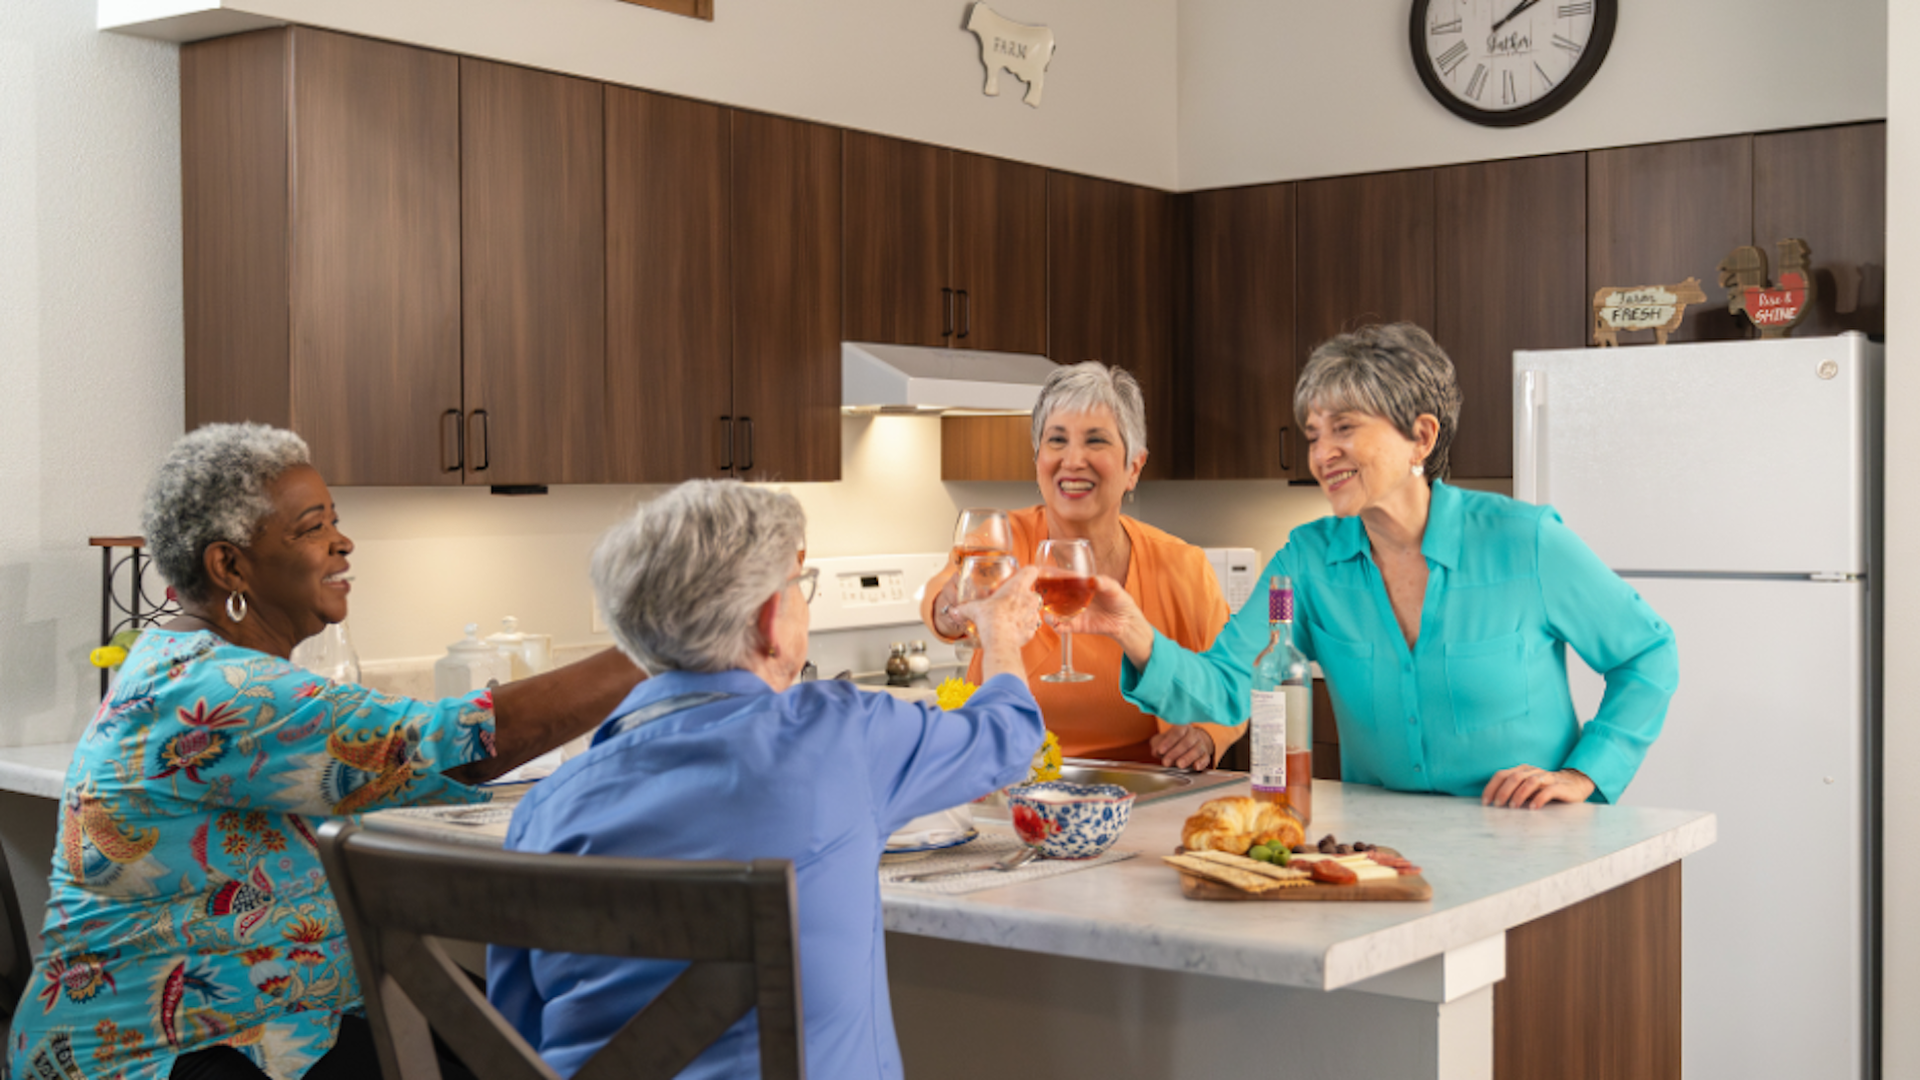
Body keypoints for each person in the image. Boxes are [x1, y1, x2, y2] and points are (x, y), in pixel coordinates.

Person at [10, 424, 643, 1080]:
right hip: (163, 1056)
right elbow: (457, 746)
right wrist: (658, 640)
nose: (343, 541)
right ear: (229, 566)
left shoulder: (177, 660)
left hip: (266, 1018)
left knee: (515, 1043)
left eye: (333, 520)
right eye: (312, 527)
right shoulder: (217, 688)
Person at [489, 480, 1044, 1079]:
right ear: (769, 618)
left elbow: (513, 1042)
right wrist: (1001, 635)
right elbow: (1009, 735)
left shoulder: (545, 812)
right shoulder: (841, 736)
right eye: (798, 588)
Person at [1078, 324, 1679, 808]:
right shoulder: (1308, 561)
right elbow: (1227, 687)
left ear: (1420, 437)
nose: (1320, 454)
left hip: (1531, 839)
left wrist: (1583, 774)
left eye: (1344, 429)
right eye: (1313, 434)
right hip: (1381, 854)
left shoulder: (1525, 543)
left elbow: (1647, 654)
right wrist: (1133, 632)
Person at [919, 361, 1240, 769]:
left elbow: (1234, 681)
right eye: (1057, 440)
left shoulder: (1183, 566)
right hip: (1012, 782)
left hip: (1142, 790)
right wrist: (950, 610)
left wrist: (1209, 735)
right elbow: (945, 597)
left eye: (1096, 441)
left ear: (1134, 468)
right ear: (1038, 461)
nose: (1073, 460)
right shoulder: (1002, 540)